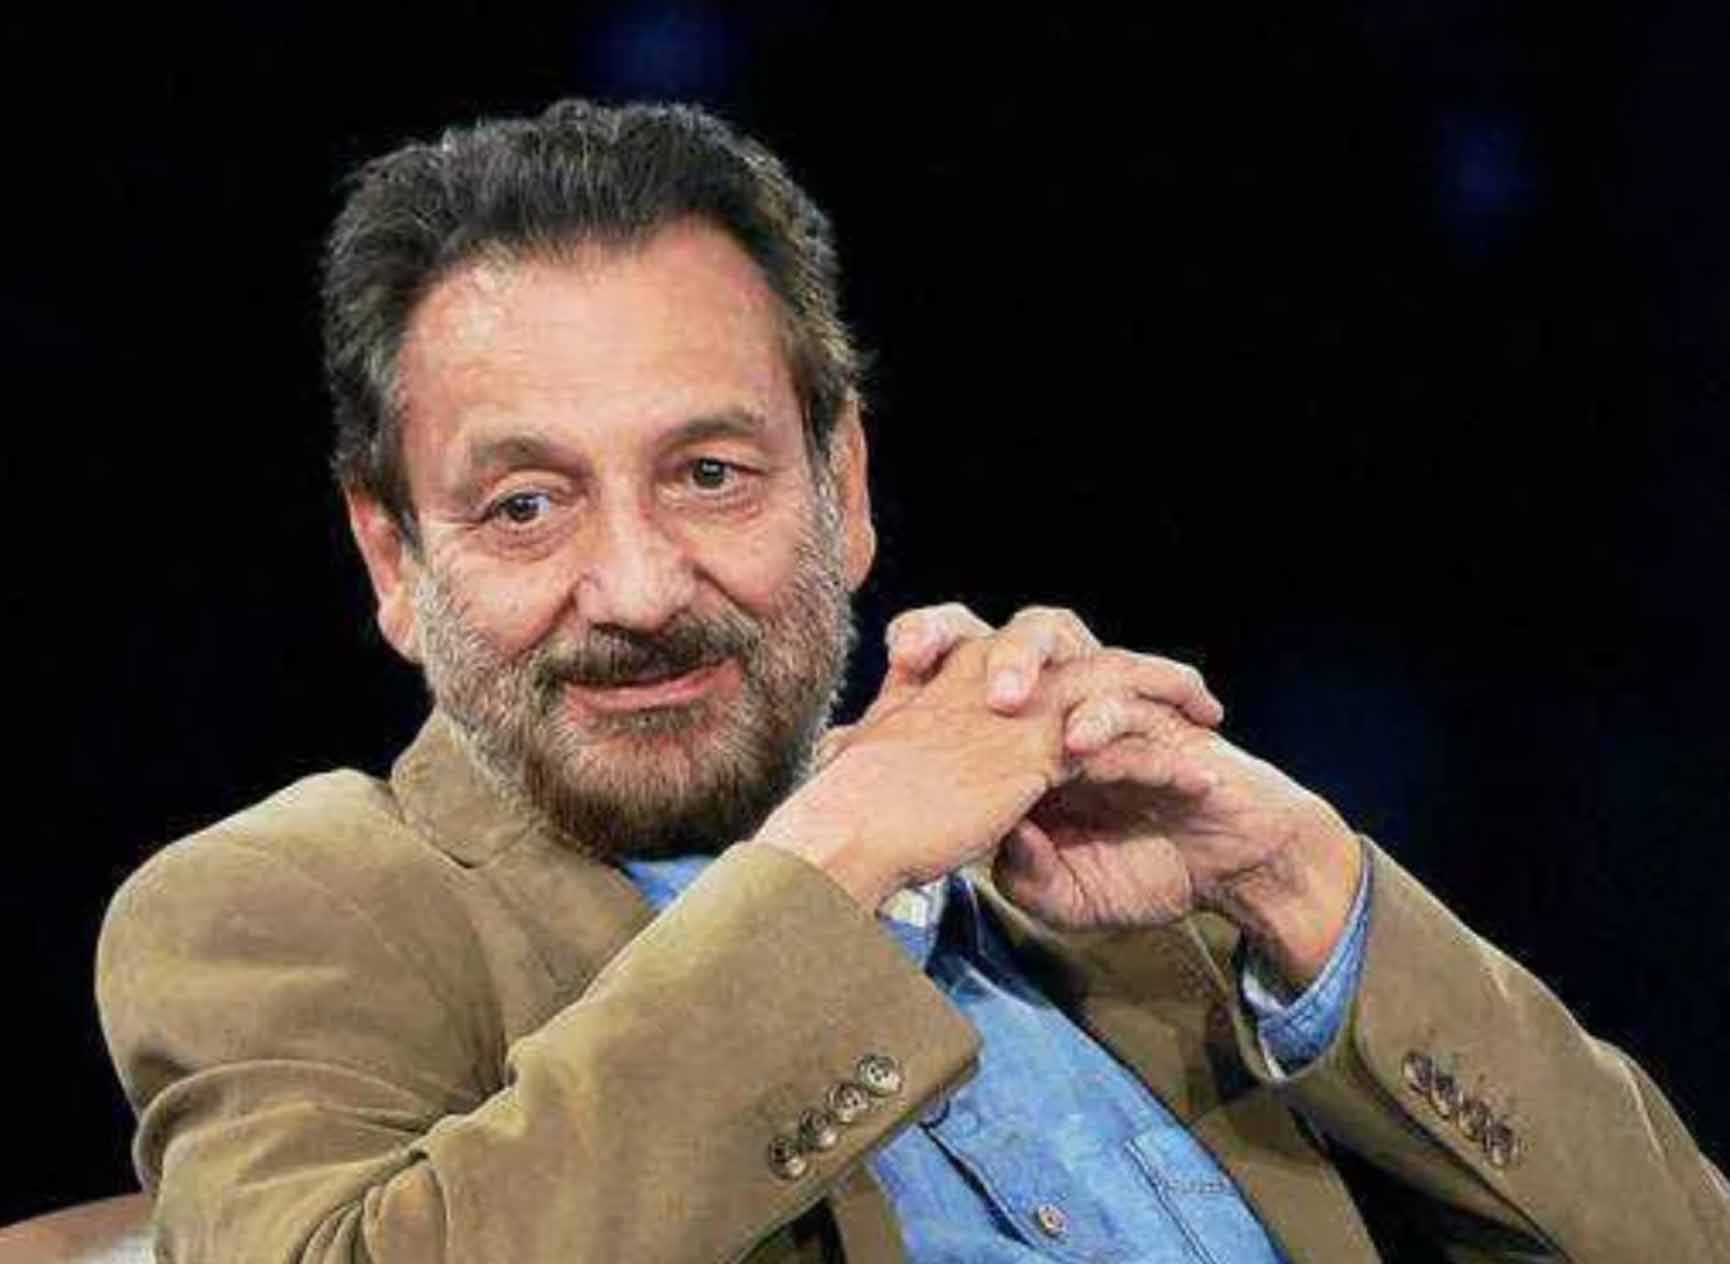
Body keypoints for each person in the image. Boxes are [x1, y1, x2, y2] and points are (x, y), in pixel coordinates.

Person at [96, 99, 1728, 1263]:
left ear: (845, 486)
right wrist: (833, 867)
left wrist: (1298, 879)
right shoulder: (286, 908)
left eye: (711, 475)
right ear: (394, 559)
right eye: (526, 506)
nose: (639, 589)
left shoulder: (1103, 891)